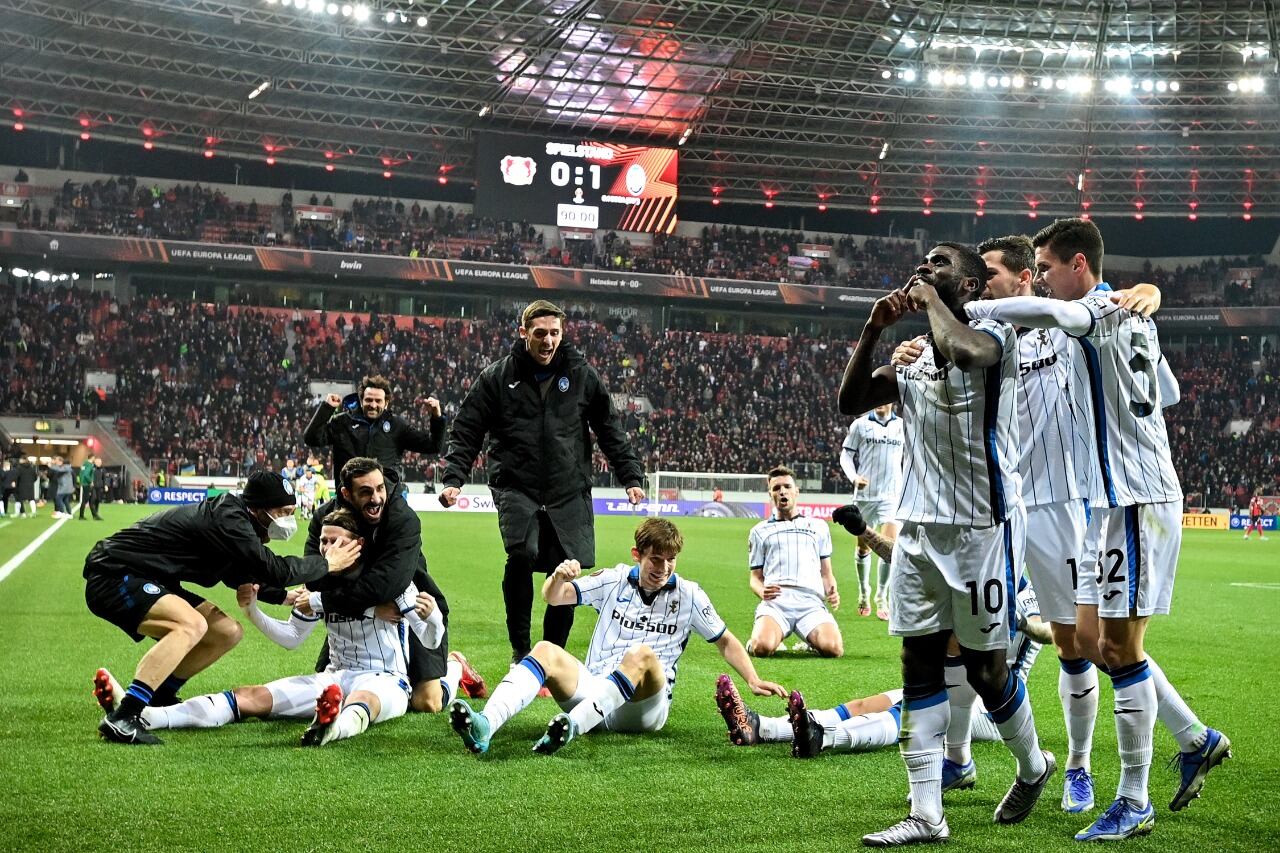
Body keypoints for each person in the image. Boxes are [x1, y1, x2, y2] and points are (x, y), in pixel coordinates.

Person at [964, 218, 1230, 841]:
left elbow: (1099, 335)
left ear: (1063, 267)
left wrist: (954, 299)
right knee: (1089, 641)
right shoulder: (1086, 317)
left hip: (1111, 497)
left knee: (1112, 646)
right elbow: (1165, 390)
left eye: (1043, 270)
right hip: (1084, 499)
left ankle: (1129, 790)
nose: (1044, 282)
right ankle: (1192, 737)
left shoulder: (1081, 313)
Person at [893, 236, 1162, 814]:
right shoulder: (989, 331)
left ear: (1020, 280)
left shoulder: (1050, 327)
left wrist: (1146, 293)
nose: (982, 283)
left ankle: (1080, 768)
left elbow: (1162, 387)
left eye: (994, 275)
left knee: (1084, 643)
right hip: (1013, 505)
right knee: (978, 644)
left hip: (1066, 504)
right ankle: (958, 759)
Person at [838, 243, 1053, 846]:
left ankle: (1033, 766)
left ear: (972, 283)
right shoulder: (910, 360)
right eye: (922, 264)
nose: (924, 269)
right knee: (918, 666)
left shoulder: (995, 335)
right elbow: (849, 402)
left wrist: (932, 300)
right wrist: (873, 328)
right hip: (917, 530)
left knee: (986, 671)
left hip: (983, 531)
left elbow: (963, 349)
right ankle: (926, 813)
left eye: (939, 263)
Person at [94, 508, 443, 747]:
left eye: (335, 541)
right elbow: (292, 638)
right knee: (250, 697)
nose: (326, 548)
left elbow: (430, 638)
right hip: (334, 677)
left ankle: (331, 729)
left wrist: (432, 618)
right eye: (323, 541)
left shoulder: (388, 583)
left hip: (386, 680)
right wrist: (253, 611)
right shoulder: (318, 587)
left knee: (362, 700)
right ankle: (149, 715)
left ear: (357, 545)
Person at [447, 518, 785, 754]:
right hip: (595, 688)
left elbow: (724, 639)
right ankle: (485, 726)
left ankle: (572, 728)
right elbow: (554, 597)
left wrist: (753, 680)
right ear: (637, 555)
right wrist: (558, 577)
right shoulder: (615, 579)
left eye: (670, 561)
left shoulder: (690, 595)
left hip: (643, 708)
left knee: (642, 655)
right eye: (656, 559)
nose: (663, 568)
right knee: (545, 649)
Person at [84, 470, 361, 744]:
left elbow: (238, 573)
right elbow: (273, 568)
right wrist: (327, 564)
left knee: (226, 631)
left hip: (149, 577)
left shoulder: (238, 521)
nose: (288, 519)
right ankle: (124, 715)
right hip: (115, 573)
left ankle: (159, 695)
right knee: (191, 624)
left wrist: (282, 597)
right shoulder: (229, 518)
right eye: (283, 511)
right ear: (259, 509)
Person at [440, 300, 646, 663]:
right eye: (540, 334)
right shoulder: (497, 377)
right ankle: (521, 649)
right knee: (522, 552)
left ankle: (551, 654)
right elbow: (468, 428)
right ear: (524, 334)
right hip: (517, 484)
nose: (548, 341)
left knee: (567, 567)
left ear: (562, 333)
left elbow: (609, 429)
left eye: (554, 333)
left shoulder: (583, 376)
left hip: (568, 488)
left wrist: (630, 475)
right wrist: (454, 477)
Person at [302, 457, 484, 714]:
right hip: (358, 613)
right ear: (346, 494)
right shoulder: (325, 520)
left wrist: (326, 600)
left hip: (410, 607)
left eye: (379, 489)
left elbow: (387, 586)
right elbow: (313, 577)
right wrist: (369, 609)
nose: (376, 498)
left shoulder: (402, 519)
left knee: (426, 703)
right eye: (365, 492)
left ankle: (455, 666)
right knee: (333, 692)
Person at [745, 465, 842, 658]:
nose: (782, 491)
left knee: (834, 649)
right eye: (776, 488)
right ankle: (757, 641)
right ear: (770, 494)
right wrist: (761, 591)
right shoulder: (759, 531)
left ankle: (811, 641)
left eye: (787, 487)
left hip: (810, 602)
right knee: (761, 648)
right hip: (776, 602)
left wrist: (832, 591)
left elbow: (826, 572)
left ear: (796, 491)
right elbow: (755, 578)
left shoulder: (818, 527)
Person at [303, 375, 445, 492]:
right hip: (350, 501)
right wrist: (326, 408)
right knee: (320, 522)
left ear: (386, 403)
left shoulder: (397, 425)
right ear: (361, 400)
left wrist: (437, 416)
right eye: (369, 400)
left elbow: (433, 445)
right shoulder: (342, 422)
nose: (373, 405)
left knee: (411, 524)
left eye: (378, 401)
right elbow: (311, 438)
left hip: (386, 504)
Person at [840, 402, 904, 619]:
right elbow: (846, 455)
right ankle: (863, 591)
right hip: (865, 497)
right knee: (863, 549)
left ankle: (881, 596)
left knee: (888, 550)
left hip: (892, 496)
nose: (878, 402)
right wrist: (854, 477)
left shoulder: (903, 426)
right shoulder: (860, 425)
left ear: (892, 401)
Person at [78, 455, 103, 520]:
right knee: (85, 500)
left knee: (91, 499)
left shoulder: (84, 464)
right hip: (87, 484)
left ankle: (95, 515)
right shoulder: (89, 465)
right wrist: (90, 481)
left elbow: (81, 474)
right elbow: (86, 474)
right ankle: (81, 516)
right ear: (92, 458)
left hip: (84, 483)